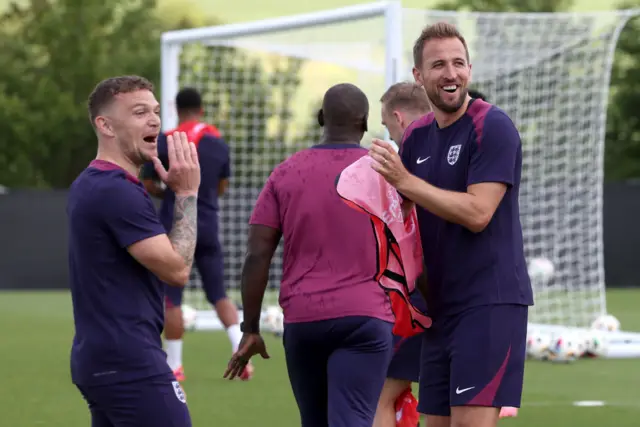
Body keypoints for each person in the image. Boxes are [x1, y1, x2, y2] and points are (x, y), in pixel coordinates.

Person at [368, 22, 534, 427]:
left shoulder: (492, 125)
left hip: (488, 303)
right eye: (438, 64)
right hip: (438, 307)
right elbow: (404, 217)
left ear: (470, 70)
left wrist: (405, 181)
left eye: (458, 63)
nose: (451, 73)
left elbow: (478, 214)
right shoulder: (418, 135)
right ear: (419, 76)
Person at [224, 83, 395, 427]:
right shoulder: (386, 173)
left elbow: (257, 256)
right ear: (365, 122)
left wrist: (251, 327)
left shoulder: (286, 173)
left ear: (321, 118)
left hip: (304, 319)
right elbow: (409, 248)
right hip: (367, 317)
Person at [68, 75, 199, 426]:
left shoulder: (93, 182)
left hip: (102, 356)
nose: (155, 120)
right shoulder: (115, 190)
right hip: (127, 360)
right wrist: (186, 194)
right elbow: (176, 269)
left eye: (156, 111)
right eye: (140, 112)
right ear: (105, 125)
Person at [141, 88, 247, 382]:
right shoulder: (217, 143)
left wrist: (170, 191)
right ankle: (241, 354)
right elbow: (222, 186)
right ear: (201, 110)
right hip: (209, 225)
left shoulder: (165, 141)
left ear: (176, 109)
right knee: (219, 294)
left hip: (175, 227)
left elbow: (150, 182)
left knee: (171, 297)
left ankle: (174, 365)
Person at [374, 81, 431, 427]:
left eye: (386, 121)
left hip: (416, 296)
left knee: (380, 393)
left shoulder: (402, 161)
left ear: (397, 117)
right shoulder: (452, 148)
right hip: (458, 293)